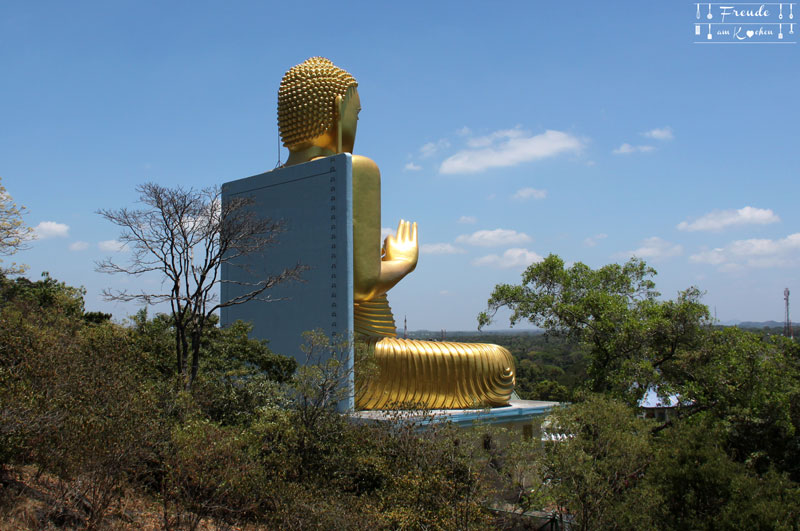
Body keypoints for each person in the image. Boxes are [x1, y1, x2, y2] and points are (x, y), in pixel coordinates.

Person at [279, 57, 514, 409]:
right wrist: (401, 262)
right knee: (497, 365)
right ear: (336, 108)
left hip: (282, 365)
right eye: (355, 115)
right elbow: (360, 286)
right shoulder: (353, 169)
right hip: (351, 366)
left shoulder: (254, 190)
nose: (356, 125)